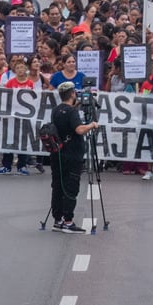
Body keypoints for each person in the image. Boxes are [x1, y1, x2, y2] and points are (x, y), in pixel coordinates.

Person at [50, 81, 101, 234]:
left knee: (57, 186)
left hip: (57, 154)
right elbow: (79, 130)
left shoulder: (56, 110)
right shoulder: (72, 112)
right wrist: (92, 125)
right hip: (72, 155)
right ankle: (68, 221)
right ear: (72, 93)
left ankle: (57, 220)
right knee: (71, 187)